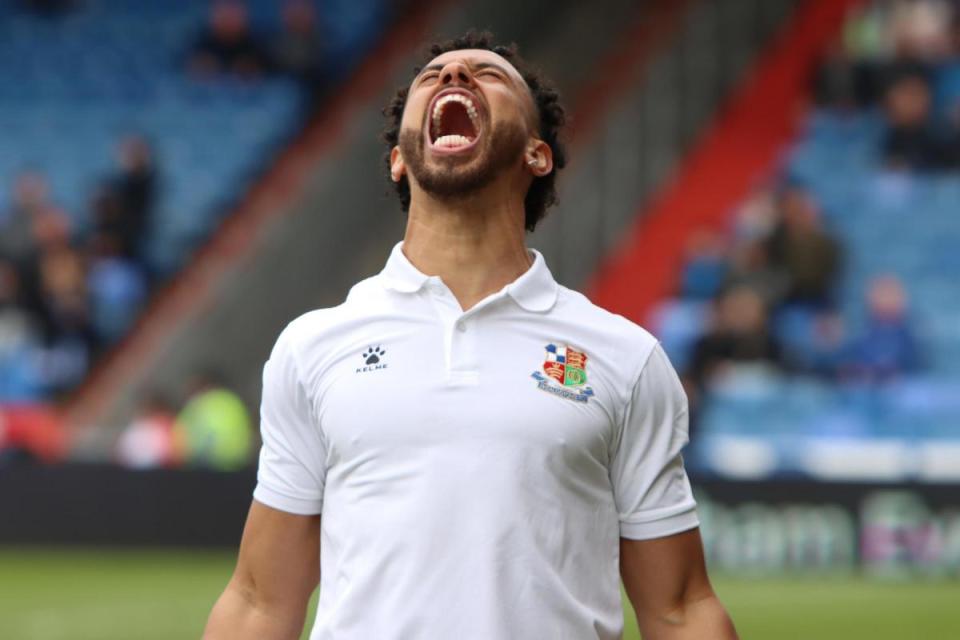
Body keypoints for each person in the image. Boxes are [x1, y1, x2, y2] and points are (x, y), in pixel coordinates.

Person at [204, 31, 736, 640]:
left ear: (538, 155)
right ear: (400, 158)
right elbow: (259, 600)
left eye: (488, 75)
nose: (453, 75)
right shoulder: (313, 347)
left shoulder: (624, 358)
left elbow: (680, 609)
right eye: (432, 76)